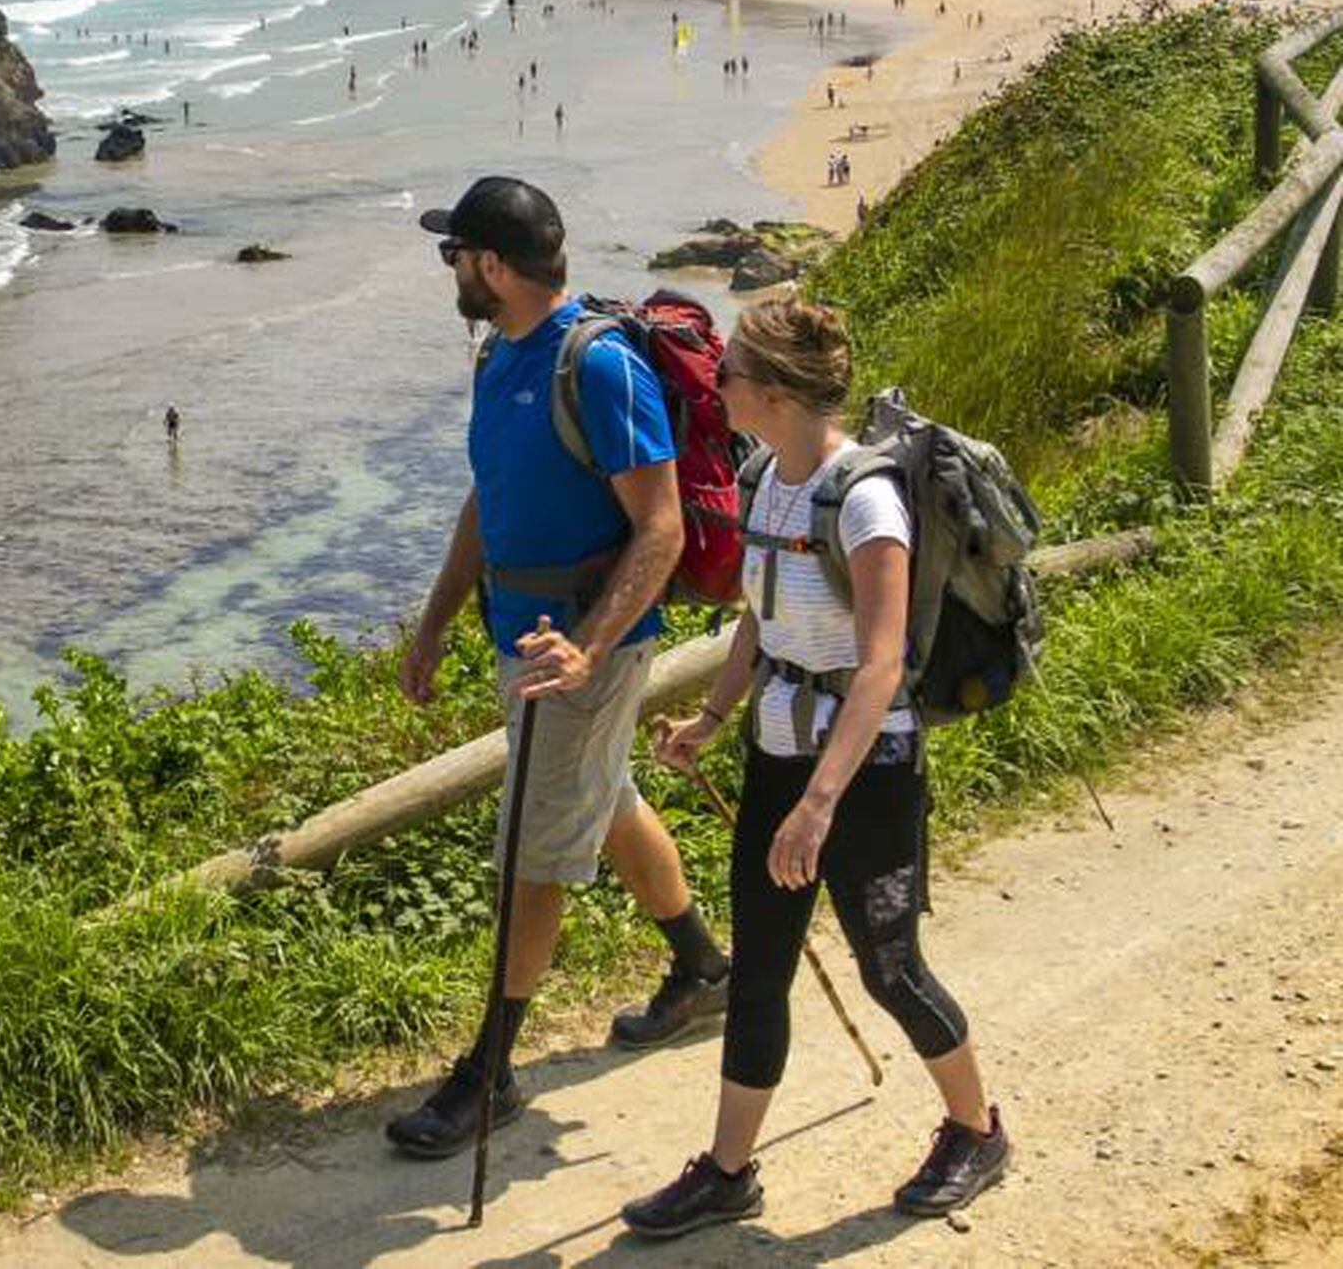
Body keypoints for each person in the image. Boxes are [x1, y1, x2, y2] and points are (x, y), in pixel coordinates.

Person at [624, 301, 1008, 1238]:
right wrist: (713, 719)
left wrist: (819, 805)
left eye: (732, 370)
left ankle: (977, 1130)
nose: (717, 382)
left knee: (890, 970)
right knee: (758, 971)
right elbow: (760, 614)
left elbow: (880, 664)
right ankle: (727, 1172)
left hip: (864, 771)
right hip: (777, 755)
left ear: (775, 390)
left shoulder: (866, 500)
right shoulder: (765, 479)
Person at [386, 177, 731, 1160]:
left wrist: (589, 648)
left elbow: (659, 529)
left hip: (580, 654)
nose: (449, 268)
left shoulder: (600, 366)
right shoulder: (501, 356)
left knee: (533, 857)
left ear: (492, 265)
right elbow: (487, 499)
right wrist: (436, 622)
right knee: (604, 797)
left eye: (455, 253)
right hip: (521, 639)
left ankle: (488, 1071)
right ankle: (703, 970)